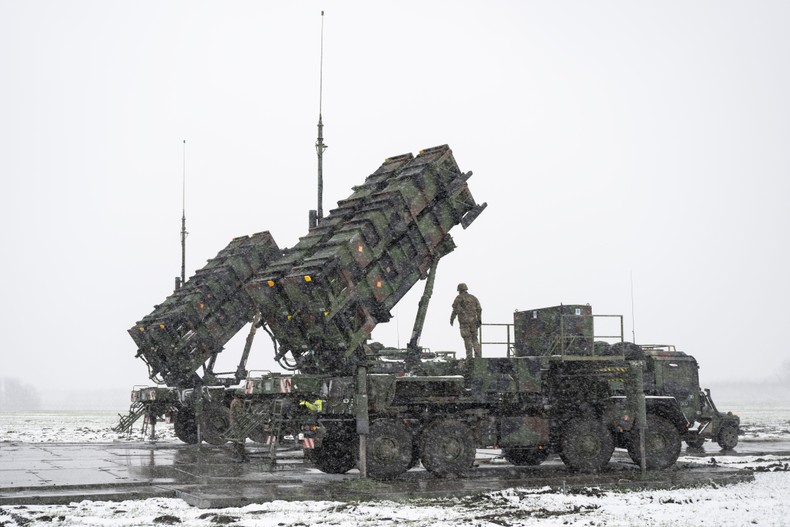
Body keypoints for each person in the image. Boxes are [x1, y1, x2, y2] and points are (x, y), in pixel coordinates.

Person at [450, 283, 482, 359]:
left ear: (459, 290)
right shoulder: (473, 298)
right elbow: (479, 309)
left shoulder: (459, 298)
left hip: (464, 323)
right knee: (475, 339)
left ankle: (469, 356)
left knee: (467, 339)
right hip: (473, 322)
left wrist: (452, 319)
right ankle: (478, 356)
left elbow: (455, 309)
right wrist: (479, 320)